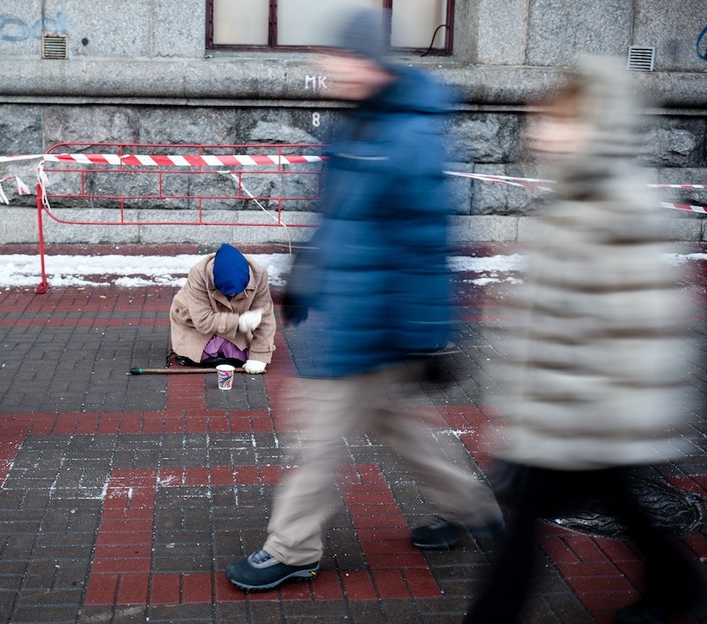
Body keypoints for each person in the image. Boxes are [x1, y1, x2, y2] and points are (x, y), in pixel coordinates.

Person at [225, 9, 503, 592]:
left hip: (376, 322)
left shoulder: (409, 138)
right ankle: (472, 507)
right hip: (350, 311)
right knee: (400, 425)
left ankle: (293, 548)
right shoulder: (355, 127)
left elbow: (429, 245)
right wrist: (306, 272)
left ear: (371, 63)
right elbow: (338, 216)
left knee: (315, 436)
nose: (326, 68)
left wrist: (432, 334)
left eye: (339, 58)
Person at [463, 58, 706, 624]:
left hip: (583, 414)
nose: (540, 129)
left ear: (599, 127)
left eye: (561, 120)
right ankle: (678, 585)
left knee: (522, 530)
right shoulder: (576, 199)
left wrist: (554, 418)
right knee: (624, 504)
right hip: (580, 413)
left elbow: (632, 331)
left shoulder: (613, 208)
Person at [169, 243, 276, 375]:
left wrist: (260, 356)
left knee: (246, 354)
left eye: (236, 292)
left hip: (232, 325)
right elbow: (202, 320)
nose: (231, 296)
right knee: (203, 352)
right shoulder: (198, 273)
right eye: (226, 292)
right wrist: (239, 323)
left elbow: (265, 318)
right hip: (194, 322)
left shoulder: (259, 274)